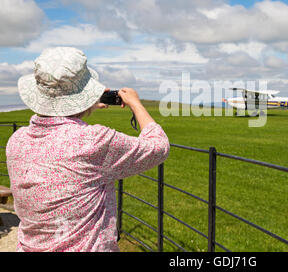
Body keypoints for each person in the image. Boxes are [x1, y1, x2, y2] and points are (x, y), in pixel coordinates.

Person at [6, 47, 170, 252]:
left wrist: (84, 106)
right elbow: (158, 147)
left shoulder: (17, 141)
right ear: (83, 94)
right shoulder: (93, 141)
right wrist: (136, 104)